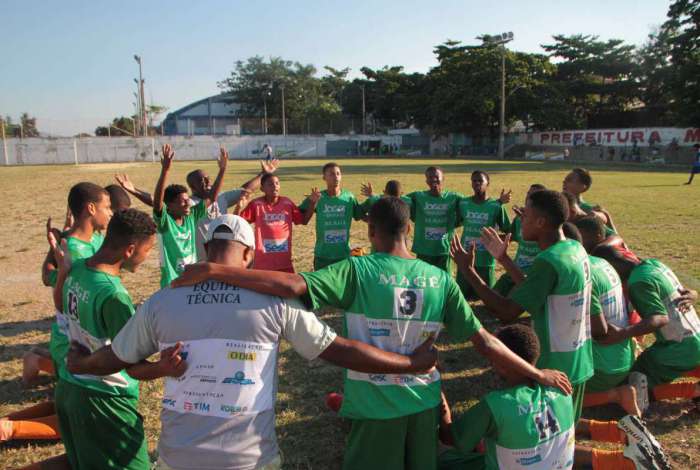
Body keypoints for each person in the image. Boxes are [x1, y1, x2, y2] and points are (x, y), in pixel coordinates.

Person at [171, 197, 572, 470]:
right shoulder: (440, 280)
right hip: (424, 405)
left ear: (371, 231)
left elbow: (293, 285)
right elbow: (485, 341)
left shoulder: (357, 270)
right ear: (409, 229)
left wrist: (217, 270)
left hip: (375, 407)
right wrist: (537, 374)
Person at [67, 214, 441, 470]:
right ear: (248, 254)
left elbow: (114, 358)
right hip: (250, 459)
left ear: (206, 252)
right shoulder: (276, 302)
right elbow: (339, 350)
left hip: (177, 458)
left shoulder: (162, 301)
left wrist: (79, 364)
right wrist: (410, 364)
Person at [54, 208, 185, 470]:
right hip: (104, 401)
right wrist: (163, 367)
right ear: (130, 249)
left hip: (69, 390)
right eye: (147, 250)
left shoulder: (77, 268)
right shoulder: (114, 296)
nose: (146, 257)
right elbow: (129, 364)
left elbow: (61, 308)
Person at [451, 190, 594, 424]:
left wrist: (469, 272)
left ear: (541, 222)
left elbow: (507, 312)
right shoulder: (573, 249)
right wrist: (504, 259)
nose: (520, 221)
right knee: (567, 430)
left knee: (552, 439)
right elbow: (536, 290)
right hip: (578, 358)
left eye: (525, 216)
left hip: (554, 367)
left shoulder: (549, 261)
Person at [592, 245, 700, 412]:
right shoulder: (653, 264)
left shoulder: (638, 282)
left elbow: (659, 318)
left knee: (634, 380)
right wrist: (694, 294)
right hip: (693, 337)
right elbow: (682, 291)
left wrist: (622, 334)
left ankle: (692, 391)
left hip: (680, 347)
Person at [115, 157, 279, 260]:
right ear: (192, 186)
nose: (207, 182)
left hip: (223, 256)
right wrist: (134, 190)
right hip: (200, 259)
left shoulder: (221, 197)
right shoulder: (188, 205)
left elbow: (246, 189)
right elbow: (157, 202)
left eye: (208, 178)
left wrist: (262, 174)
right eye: (202, 181)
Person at [152, 144, 227, 287]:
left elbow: (211, 197)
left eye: (188, 200)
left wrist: (222, 170)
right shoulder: (165, 223)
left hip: (193, 279)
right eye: (183, 202)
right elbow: (157, 202)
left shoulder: (191, 216)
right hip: (172, 283)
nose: (188, 204)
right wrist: (165, 171)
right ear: (170, 205)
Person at [298, 162, 364, 270]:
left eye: (338, 174)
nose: (336, 177)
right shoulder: (318, 197)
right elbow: (301, 217)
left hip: (343, 255)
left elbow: (360, 215)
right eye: (332, 174)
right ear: (324, 178)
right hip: (322, 256)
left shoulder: (349, 197)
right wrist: (312, 203)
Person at [456, 171, 511, 300]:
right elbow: (455, 222)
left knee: (486, 299)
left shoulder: (496, 206)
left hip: (486, 260)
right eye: (474, 181)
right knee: (462, 297)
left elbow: (508, 229)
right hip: (466, 258)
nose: (476, 183)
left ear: (488, 184)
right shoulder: (463, 203)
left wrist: (494, 241)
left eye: (480, 181)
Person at [237, 173, 307, 272]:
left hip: (284, 262)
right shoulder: (256, 204)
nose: (275, 186)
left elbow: (303, 220)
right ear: (262, 189)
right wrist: (239, 207)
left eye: (277, 183)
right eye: (270, 184)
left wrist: (312, 203)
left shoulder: (287, 203)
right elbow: (238, 222)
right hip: (263, 263)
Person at [403, 167, 462, 272]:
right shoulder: (418, 196)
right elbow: (397, 200)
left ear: (443, 178)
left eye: (436, 177)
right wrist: (375, 196)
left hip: (443, 249)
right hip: (424, 249)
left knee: (444, 280)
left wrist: (498, 201)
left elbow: (471, 204)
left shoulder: (453, 197)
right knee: (423, 279)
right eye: (430, 177)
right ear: (426, 181)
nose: (433, 179)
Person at [493, 184, 545, 297]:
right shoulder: (518, 219)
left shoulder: (544, 223)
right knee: (492, 296)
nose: (529, 196)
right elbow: (510, 237)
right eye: (528, 193)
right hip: (514, 269)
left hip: (531, 275)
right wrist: (489, 235)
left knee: (510, 303)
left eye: (533, 195)